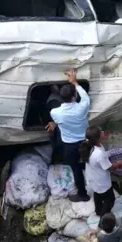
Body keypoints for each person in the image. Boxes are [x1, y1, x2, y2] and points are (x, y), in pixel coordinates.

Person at [47, 69, 91, 202]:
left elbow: (58, 120)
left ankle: (83, 194)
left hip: (69, 146)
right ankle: (92, 183)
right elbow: (85, 96)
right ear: (74, 97)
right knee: (89, 164)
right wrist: (75, 82)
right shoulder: (83, 107)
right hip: (85, 142)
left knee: (76, 170)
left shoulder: (55, 112)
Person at [80, 127, 122, 216]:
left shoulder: (91, 145)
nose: (103, 132)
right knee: (110, 200)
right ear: (98, 138)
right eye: (101, 132)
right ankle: (104, 216)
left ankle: (98, 211)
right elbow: (109, 168)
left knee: (97, 194)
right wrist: (117, 164)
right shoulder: (99, 153)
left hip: (93, 177)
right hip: (101, 182)